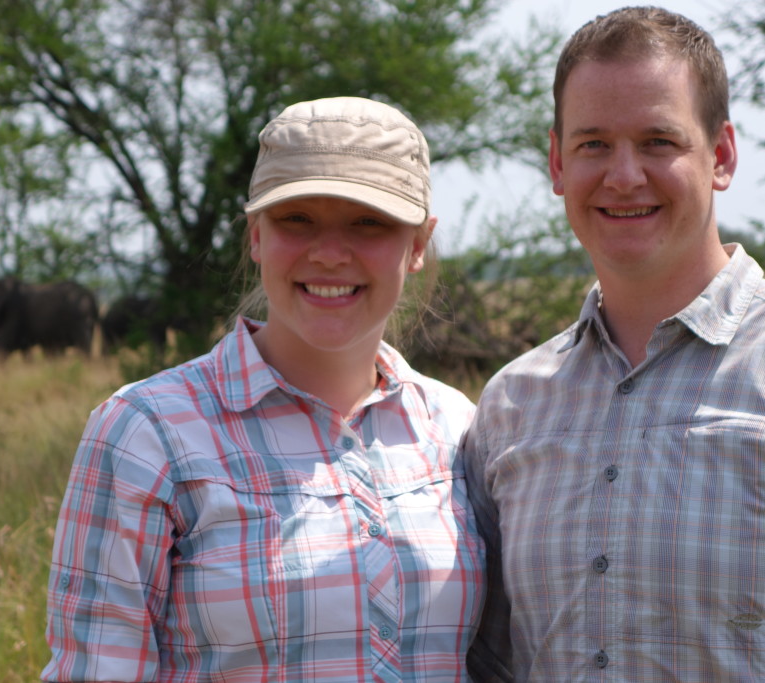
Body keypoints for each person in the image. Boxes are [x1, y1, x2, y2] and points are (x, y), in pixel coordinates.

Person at [42, 96, 484, 682]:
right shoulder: (143, 435)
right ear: (256, 235)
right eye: (296, 219)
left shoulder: (459, 428)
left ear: (419, 244)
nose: (329, 252)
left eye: (369, 222)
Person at [465, 6, 765, 681]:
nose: (625, 175)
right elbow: (494, 663)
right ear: (556, 162)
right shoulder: (510, 407)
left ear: (720, 155)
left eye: (659, 141)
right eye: (594, 144)